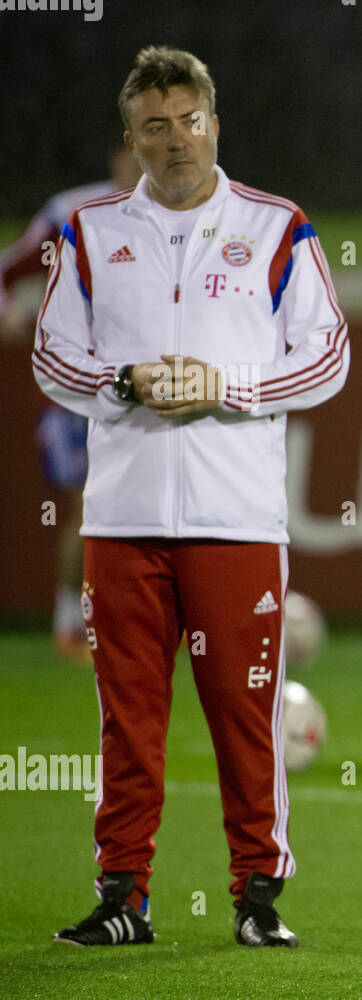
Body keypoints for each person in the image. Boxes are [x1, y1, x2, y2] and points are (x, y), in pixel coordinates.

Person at [34, 45, 349, 948]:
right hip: (124, 521)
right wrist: (127, 383)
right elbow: (53, 358)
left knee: (246, 713)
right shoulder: (92, 232)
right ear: (130, 139)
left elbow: (327, 355)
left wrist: (230, 387)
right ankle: (123, 895)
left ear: (216, 123)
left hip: (236, 520)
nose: (176, 142)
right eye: (155, 128)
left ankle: (256, 898)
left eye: (190, 121)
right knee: (127, 721)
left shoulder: (277, 225)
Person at [1, 145, 138, 664]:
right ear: (118, 154)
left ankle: (127, 626)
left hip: (138, 391)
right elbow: (6, 272)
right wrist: (10, 314)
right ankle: (70, 627)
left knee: (127, 510)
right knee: (88, 505)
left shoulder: (179, 214)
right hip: (74, 391)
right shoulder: (71, 214)